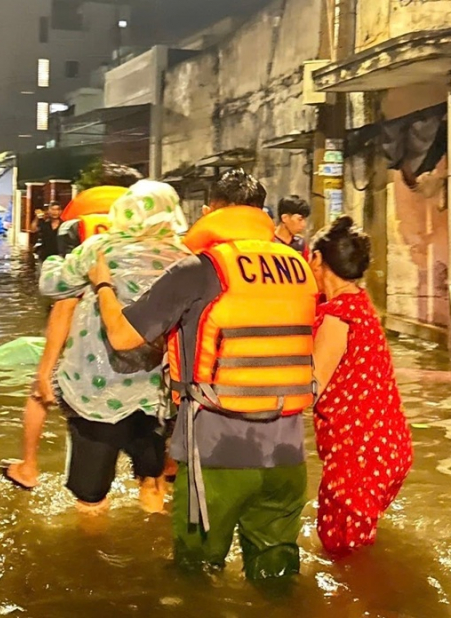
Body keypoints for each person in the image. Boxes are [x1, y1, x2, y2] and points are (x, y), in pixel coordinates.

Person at [88, 169, 318, 579]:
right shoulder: (298, 266)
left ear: (210, 210)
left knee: (197, 577)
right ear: (262, 212)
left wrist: (104, 284)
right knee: (277, 577)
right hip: (289, 452)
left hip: (216, 451)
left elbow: (124, 336)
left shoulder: (199, 268)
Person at [39, 180, 189, 513]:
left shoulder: (99, 248)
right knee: (153, 481)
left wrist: (54, 259)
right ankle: (151, 546)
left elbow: (52, 284)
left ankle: (90, 554)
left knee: (90, 497)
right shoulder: (186, 258)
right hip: (158, 393)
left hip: (95, 391)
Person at [0, 164, 142, 491]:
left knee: (40, 392)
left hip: (89, 341)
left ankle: (29, 468)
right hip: (140, 340)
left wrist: (45, 367)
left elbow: (65, 303)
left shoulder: (82, 227)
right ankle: (154, 480)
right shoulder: (146, 230)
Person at [309, 216, 413, 557]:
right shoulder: (362, 305)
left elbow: (314, 385)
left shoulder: (337, 316)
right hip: (388, 448)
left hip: (359, 455)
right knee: (358, 547)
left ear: (318, 261)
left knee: (344, 555)